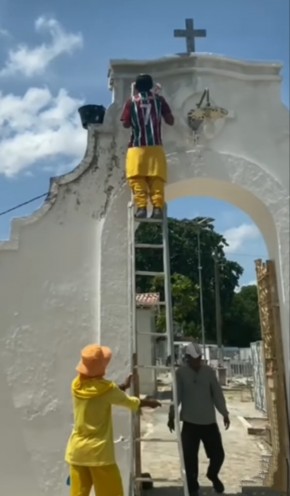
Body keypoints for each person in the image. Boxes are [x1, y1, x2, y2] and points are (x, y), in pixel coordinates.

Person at [65, 343, 161, 496]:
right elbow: (129, 402)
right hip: (99, 454)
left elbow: (99, 390)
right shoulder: (108, 389)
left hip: (77, 452)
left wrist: (122, 386)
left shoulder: (76, 385)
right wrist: (150, 403)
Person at [167, 342, 230, 495]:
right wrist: (171, 415)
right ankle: (193, 488)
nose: (197, 362)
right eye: (194, 359)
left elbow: (217, 394)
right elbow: (176, 397)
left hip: (209, 422)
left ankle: (212, 474)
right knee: (189, 460)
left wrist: (224, 413)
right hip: (190, 423)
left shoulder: (208, 372)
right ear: (187, 358)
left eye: (199, 358)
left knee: (218, 455)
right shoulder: (181, 373)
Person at [120, 73, 174, 219]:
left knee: (137, 179)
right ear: (151, 86)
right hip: (156, 147)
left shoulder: (131, 102)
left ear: (136, 87)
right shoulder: (159, 100)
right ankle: (157, 208)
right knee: (156, 179)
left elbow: (125, 124)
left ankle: (142, 207)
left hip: (137, 148)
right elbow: (170, 121)